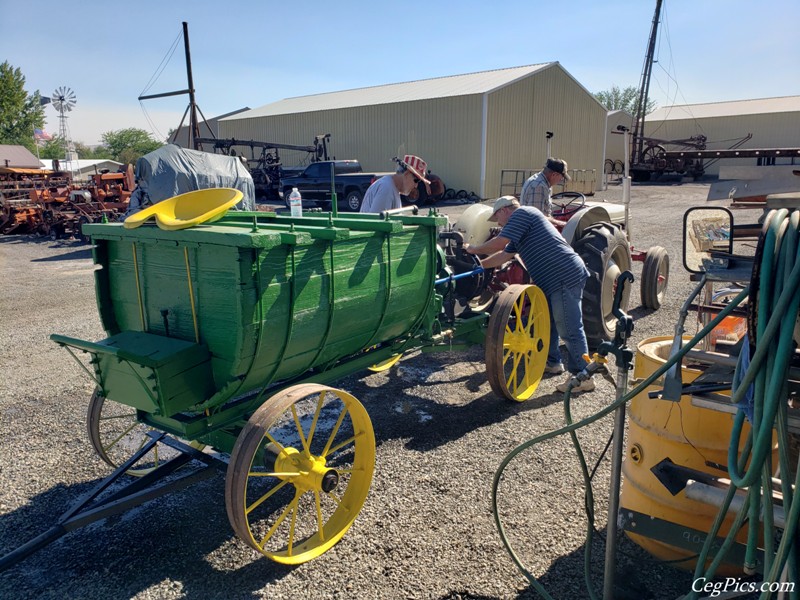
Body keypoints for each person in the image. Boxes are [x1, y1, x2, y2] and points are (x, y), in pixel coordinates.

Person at [465, 195, 594, 394]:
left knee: (568, 326)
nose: (498, 223)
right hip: (551, 280)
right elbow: (503, 255)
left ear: (504, 210)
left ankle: (584, 376)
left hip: (563, 275)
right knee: (546, 322)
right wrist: (476, 267)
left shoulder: (523, 213)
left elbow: (499, 244)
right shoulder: (521, 229)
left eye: (497, 218)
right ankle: (552, 362)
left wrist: (473, 249)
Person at [360, 154, 430, 213]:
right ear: (406, 174)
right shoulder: (386, 188)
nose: (416, 185)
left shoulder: (392, 188)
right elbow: (377, 223)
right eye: (416, 180)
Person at [519, 157, 571, 226]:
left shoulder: (540, 181)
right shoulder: (539, 186)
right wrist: (559, 223)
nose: (561, 180)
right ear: (554, 175)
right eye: (562, 177)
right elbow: (536, 217)